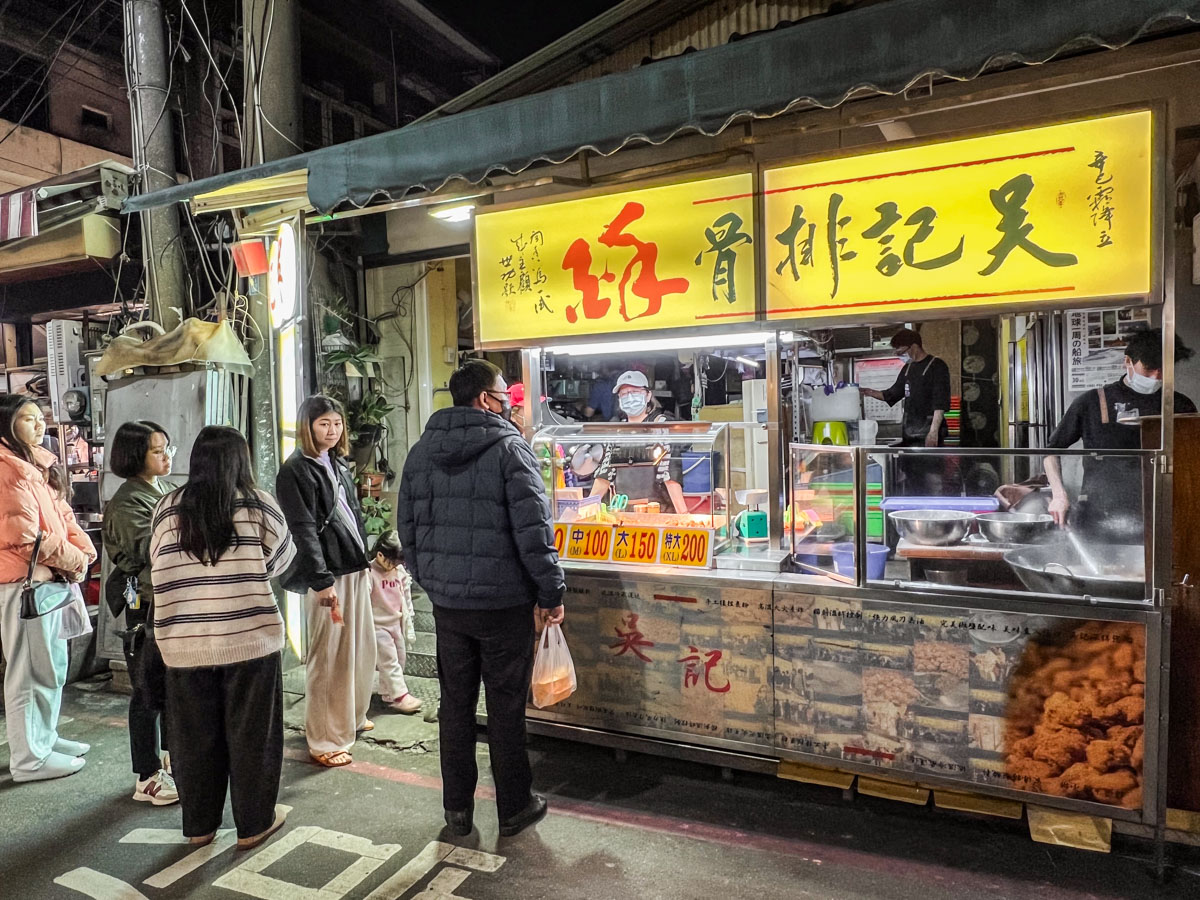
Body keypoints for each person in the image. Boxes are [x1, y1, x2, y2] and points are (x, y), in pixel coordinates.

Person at [397, 358, 565, 838]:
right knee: (505, 706)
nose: (509, 404)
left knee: (455, 706)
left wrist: (432, 580)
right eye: (504, 395)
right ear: (484, 399)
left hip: (450, 606)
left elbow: (406, 528)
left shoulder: (422, 451)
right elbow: (534, 532)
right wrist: (550, 590)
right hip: (502, 605)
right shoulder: (512, 450)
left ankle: (457, 810)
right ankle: (514, 807)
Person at [149, 426, 295, 849]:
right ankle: (253, 825)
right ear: (241, 461)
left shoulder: (166, 508)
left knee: (193, 741)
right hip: (250, 640)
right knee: (253, 738)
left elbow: (155, 565)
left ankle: (200, 827)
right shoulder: (258, 505)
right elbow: (282, 561)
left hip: (183, 645)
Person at [276, 395, 376, 768]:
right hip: (328, 574)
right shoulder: (295, 470)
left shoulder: (337, 463)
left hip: (353, 566)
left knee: (360, 650)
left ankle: (349, 717)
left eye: (336, 423)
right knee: (329, 657)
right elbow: (302, 529)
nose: (332, 431)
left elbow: (354, 516)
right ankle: (323, 737)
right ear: (308, 425)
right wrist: (321, 580)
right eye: (323, 424)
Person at [0, 395, 97, 782]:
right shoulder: (8, 469)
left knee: (50, 667)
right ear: (7, 424)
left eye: (41, 419)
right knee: (28, 672)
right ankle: (29, 759)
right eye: (28, 419)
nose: (39, 426)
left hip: (46, 580)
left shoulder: (33, 464)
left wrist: (84, 551)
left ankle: (44, 739)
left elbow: (61, 517)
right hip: (23, 583)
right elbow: (25, 537)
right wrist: (75, 561)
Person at [1045, 328, 1196, 540]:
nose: (1157, 376)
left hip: (1161, 515)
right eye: (1149, 369)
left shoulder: (1180, 405)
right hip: (1098, 515)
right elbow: (1050, 452)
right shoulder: (1093, 402)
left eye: (1164, 369)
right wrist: (1059, 495)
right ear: (1128, 361)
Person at [104, 420, 179, 806]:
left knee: (167, 687)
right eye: (156, 450)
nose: (165, 455)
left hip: (161, 598)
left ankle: (170, 760)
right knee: (146, 689)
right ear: (136, 456)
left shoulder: (159, 489)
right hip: (142, 601)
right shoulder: (126, 502)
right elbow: (150, 548)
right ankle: (146, 775)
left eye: (167, 448)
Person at [861, 328, 952, 495]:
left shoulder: (937, 366)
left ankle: (934, 515)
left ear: (914, 346)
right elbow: (892, 394)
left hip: (929, 435)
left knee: (933, 481)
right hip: (909, 435)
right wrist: (869, 392)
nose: (901, 355)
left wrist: (933, 432)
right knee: (913, 481)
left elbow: (940, 403)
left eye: (902, 350)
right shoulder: (907, 369)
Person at [588, 369, 688, 514]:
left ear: (648, 396)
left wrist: (684, 515)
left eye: (635, 392)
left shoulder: (661, 426)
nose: (629, 397)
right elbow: (605, 474)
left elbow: (670, 475)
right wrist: (587, 508)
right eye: (624, 394)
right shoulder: (616, 430)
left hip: (657, 510)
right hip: (621, 510)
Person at [369, 531, 421, 715]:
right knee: (389, 660)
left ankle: (388, 693)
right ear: (380, 554)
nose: (393, 566)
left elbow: (405, 596)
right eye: (391, 562)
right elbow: (363, 600)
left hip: (395, 623)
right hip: (377, 626)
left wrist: (410, 620)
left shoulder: (399, 572)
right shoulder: (369, 573)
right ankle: (400, 696)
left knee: (400, 658)